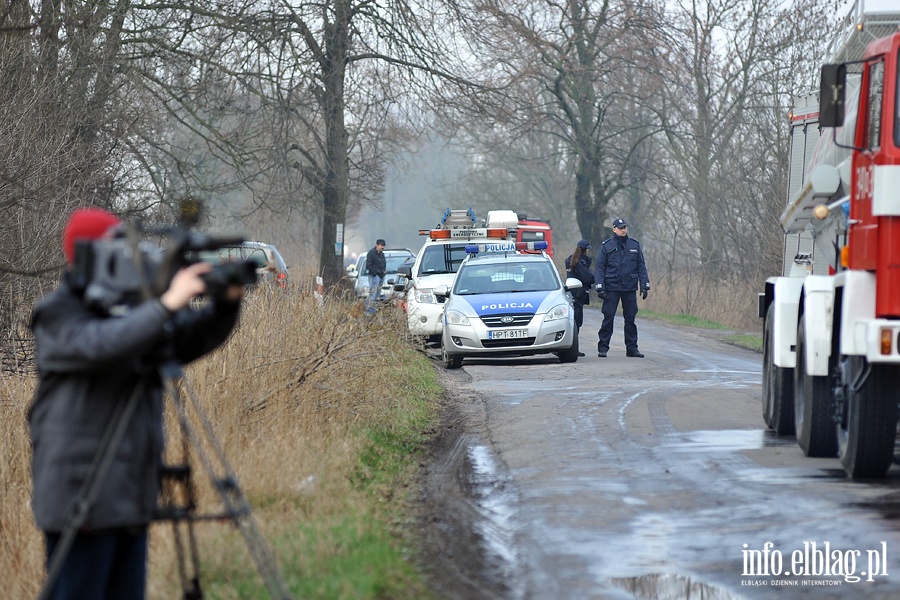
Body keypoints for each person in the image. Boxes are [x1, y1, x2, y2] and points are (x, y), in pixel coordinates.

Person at [29, 207, 244, 600]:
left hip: (130, 497)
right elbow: (103, 344)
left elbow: (190, 338)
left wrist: (225, 305)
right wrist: (167, 303)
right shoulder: (57, 315)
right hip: (81, 500)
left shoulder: (136, 316)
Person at [594, 218, 650, 358]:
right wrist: (600, 286)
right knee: (608, 318)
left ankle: (632, 349)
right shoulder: (606, 246)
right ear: (614, 229)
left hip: (629, 288)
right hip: (612, 287)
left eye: (624, 227)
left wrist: (644, 285)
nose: (623, 230)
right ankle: (603, 348)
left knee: (630, 319)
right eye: (620, 228)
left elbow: (641, 266)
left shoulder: (634, 245)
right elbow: (600, 267)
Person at [565, 239, 595, 357]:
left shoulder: (570, 260)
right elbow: (588, 278)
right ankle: (572, 348)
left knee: (574, 321)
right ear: (585, 250)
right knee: (577, 322)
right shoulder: (580, 262)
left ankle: (572, 347)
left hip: (571, 293)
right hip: (578, 294)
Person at [364, 238, 387, 311]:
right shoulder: (371, 253)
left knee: (378, 294)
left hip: (381, 276)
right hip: (374, 276)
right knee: (373, 294)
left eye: (383, 246)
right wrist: (375, 273)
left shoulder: (382, 254)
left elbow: (383, 264)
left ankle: (374, 308)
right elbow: (368, 265)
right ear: (377, 245)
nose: (382, 247)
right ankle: (369, 310)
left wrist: (383, 272)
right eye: (381, 245)